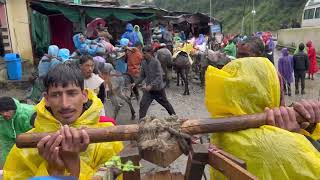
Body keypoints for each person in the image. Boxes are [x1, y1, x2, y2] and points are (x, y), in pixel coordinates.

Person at [206, 57, 320, 179]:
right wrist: (299, 139)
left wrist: (310, 128)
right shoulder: (281, 146)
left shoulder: (221, 134)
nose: (283, 102)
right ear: (266, 97)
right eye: (278, 91)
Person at [3, 63, 123, 179]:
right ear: (46, 99)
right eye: (56, 95)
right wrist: (55, 172)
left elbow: (119, 174)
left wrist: (72, 162)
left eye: (71, 93)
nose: (65, 104)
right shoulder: (24, 149)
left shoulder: (108, 140)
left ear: (84, 95)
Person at [133, 46, 176, 119]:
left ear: (150, 53)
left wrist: (151, 85)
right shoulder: (143, 63)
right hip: (149, 91)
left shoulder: (156, 62)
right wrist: (135, 83)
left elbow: (159, 77)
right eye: (143, 53)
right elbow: (142, 76)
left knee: (166, 104)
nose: (143, 55)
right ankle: (141, 122)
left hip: (158, 90)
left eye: (144, 53)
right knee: (143, 105)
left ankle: (175, 117)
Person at [0, 97, 35, 167]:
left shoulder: (27, 115)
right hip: (18, 139)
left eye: (7, 110)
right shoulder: (2, 119)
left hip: (32, 139)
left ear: (14, 109)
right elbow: (6, 143)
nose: (4, 114)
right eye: (1, 111)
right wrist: (6, 164)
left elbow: (35, 137)